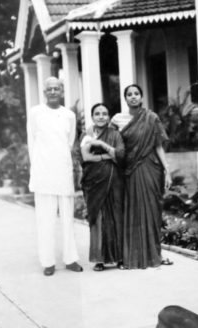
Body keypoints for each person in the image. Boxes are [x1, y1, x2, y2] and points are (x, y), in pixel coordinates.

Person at [111, 84, 173, 269]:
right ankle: (132, 256)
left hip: (151, 168)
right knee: (133, 212)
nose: (133, 97)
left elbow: (158, 145)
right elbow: (109, 139)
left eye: (136, 94)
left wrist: (167, 170)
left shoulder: (151, 118)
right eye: (129, 94)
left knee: (153, 212)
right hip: (130, 171)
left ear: (142, 97)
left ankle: (155, 255)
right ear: (125, 98)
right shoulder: (118, 120)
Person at [27, 76, 83, 276]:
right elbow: (32, 142)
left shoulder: (69, 115)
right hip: (43, 172)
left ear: (62, 91)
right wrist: (36, 168)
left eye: (56, 88)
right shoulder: (35, 113)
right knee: (45, 219)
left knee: (67, 217)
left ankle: (70, 259)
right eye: (49, 89)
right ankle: (48, 262)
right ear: (44, 92)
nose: (52, 92)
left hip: (62, 171)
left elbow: (69, 142)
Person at [80, 103, 125, 271]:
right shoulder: (87, 134)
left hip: (114, 182)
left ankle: (120, 258)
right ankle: (99, 260)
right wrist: (107, 156)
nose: (101, 116)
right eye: (97, 113)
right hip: (94, 182)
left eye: (104, 113)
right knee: (97, 219)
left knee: (116, 218)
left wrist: (103, 146)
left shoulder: (115, 134)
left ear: (108, 117)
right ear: (92, 117)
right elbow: (85, 157)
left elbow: (120, 155)